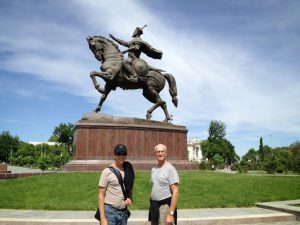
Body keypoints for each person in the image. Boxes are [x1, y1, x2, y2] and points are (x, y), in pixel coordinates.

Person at [98, 144, 135, 225]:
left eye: (123, 154)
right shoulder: (107, 172)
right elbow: (101, 195)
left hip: (123, 212)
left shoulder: (128, 169)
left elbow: (129, 188)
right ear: (114, 155)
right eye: (119, 154)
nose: (121, 156)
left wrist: (130, 198)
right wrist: (102, 218)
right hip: (110, 213)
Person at [148, 144, 179, 225]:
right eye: (158, 151)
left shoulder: (170, 169)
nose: (160, 153)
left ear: (166, 153)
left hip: (165, 207)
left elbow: (175, 192)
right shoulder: (154, 169)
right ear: (155, 153)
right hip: (154, 206)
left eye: (162, 151)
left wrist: (170, 214)